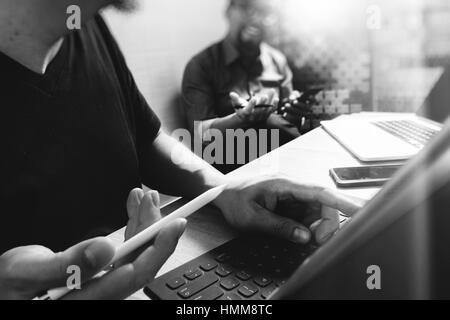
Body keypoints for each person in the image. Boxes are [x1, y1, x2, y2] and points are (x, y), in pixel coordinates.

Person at [0, 0, 362, 300]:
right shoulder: (204, 65)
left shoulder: (87, 24)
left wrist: (225, 190)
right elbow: (201, 133)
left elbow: (147, 138)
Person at [182, 0, 308, 173]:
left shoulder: (277, 60)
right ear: (229, 11)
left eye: (265, 12)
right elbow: (199, 132)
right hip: (231, 165)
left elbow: (289, 122)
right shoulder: (202, 65)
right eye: (247, 7)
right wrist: (238, 119)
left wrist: (296, 110)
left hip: (283, 160)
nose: (256, 18)